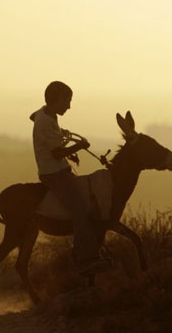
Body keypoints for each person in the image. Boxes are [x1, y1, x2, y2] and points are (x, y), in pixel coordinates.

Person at [30, 81, 111, 275]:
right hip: (54, 174)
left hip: (60, 170)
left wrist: (63, 141)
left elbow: (32, 116)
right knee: (81, 209)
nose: (69, 106)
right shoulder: (45, 122)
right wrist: (80, 146)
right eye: (67, 101)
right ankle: (85, 258)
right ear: (56, 100)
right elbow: (57, 153)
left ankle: (87, 251)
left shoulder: (46, 115)